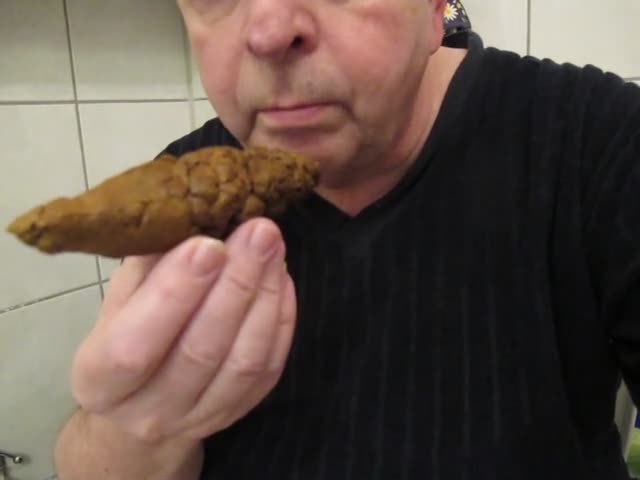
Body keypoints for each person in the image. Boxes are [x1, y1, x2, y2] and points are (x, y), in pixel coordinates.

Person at [53, 0, 640, 478]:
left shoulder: (602, 144)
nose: (268, 30)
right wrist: (135, 428)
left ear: (435, 8)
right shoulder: (186, 188)